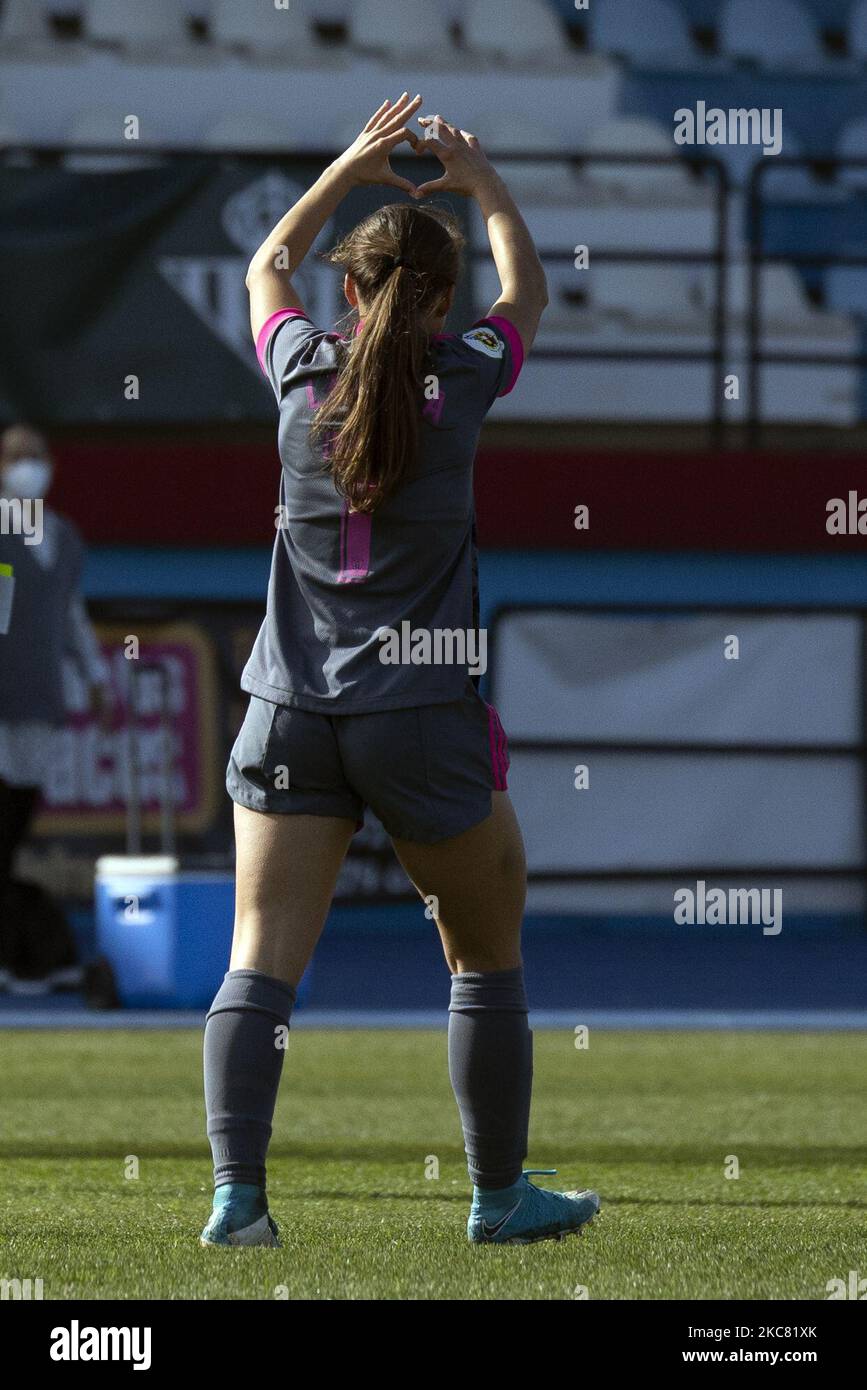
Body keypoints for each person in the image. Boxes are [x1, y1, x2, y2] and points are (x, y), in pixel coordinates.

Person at [201, 95, 600, 1247]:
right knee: (484, 949)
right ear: (441, 297)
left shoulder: (296, 375)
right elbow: (527, 295)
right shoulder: (464, 375)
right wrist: (487, 190)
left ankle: (239, 1201)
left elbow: (264, 263)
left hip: (288, 708)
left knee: (260, 958)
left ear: (349, 292)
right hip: (419, 711)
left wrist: (345, 166)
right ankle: (497, 1197)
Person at [0, 425, 112, 953]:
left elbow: (71, 616)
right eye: (15, 457)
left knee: (16, 820)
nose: (27, 466)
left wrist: (95, 678)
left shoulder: (64, 537)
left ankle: (25, 951)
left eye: (35, 455)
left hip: (40, 699)